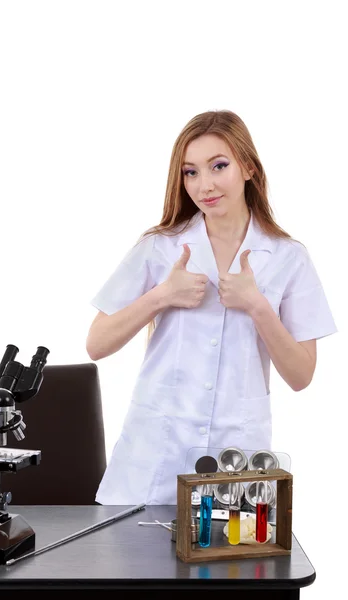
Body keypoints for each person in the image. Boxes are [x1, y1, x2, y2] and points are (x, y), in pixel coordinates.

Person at [86, 109, 337, 505]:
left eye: (218, 166)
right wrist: (162, 295)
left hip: (235, 454)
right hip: (155, 451)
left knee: (226, 560)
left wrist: (257, 306)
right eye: (191, 172)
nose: (205, 185)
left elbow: (301, 375)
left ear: (249, 168)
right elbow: (96, 343)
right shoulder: (160, 247)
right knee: (131, 562)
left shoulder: (289, 257)